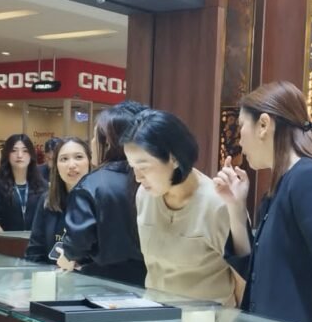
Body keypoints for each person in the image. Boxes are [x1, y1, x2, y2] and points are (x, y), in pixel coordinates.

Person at [213, 81, 312, 322]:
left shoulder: (311, 178)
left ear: (263, 125)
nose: (240, 140)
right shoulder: (284, 184)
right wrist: (236, 208)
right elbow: (259, 274)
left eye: (241, 126)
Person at [123, 109, 239, 307]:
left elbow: (243, 279)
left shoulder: (217, 204)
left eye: (144, 167)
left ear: (174, 158)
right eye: (132, 167)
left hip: (208, 321)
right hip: (155, 315)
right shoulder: (145, 194)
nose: (138, 177)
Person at [59, 100, 148, 285]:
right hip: (150, 281)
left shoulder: (91, 185)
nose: (91, 142)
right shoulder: (151, 178)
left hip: (101, 282)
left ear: (107, 141)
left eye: (94, 136)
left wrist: (68, 255)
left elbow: (78, 242)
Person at [25, 137, 91, 263]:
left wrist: (78, 265)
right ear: (56, 166)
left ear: (89, 161)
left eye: (78, 157)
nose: (71, 165)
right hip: (51, 273)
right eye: (64, 159)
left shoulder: (101, 200)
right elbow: (35, 252)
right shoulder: (47, 200)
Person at [0, 133, 47, 232]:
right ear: (7, 155)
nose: (19, 155)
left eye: (25, 151)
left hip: (36, 241)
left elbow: (48, 221)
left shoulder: (42, 186)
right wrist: (8, 241)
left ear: (31, 155)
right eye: (14, 151)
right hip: (6, 240)